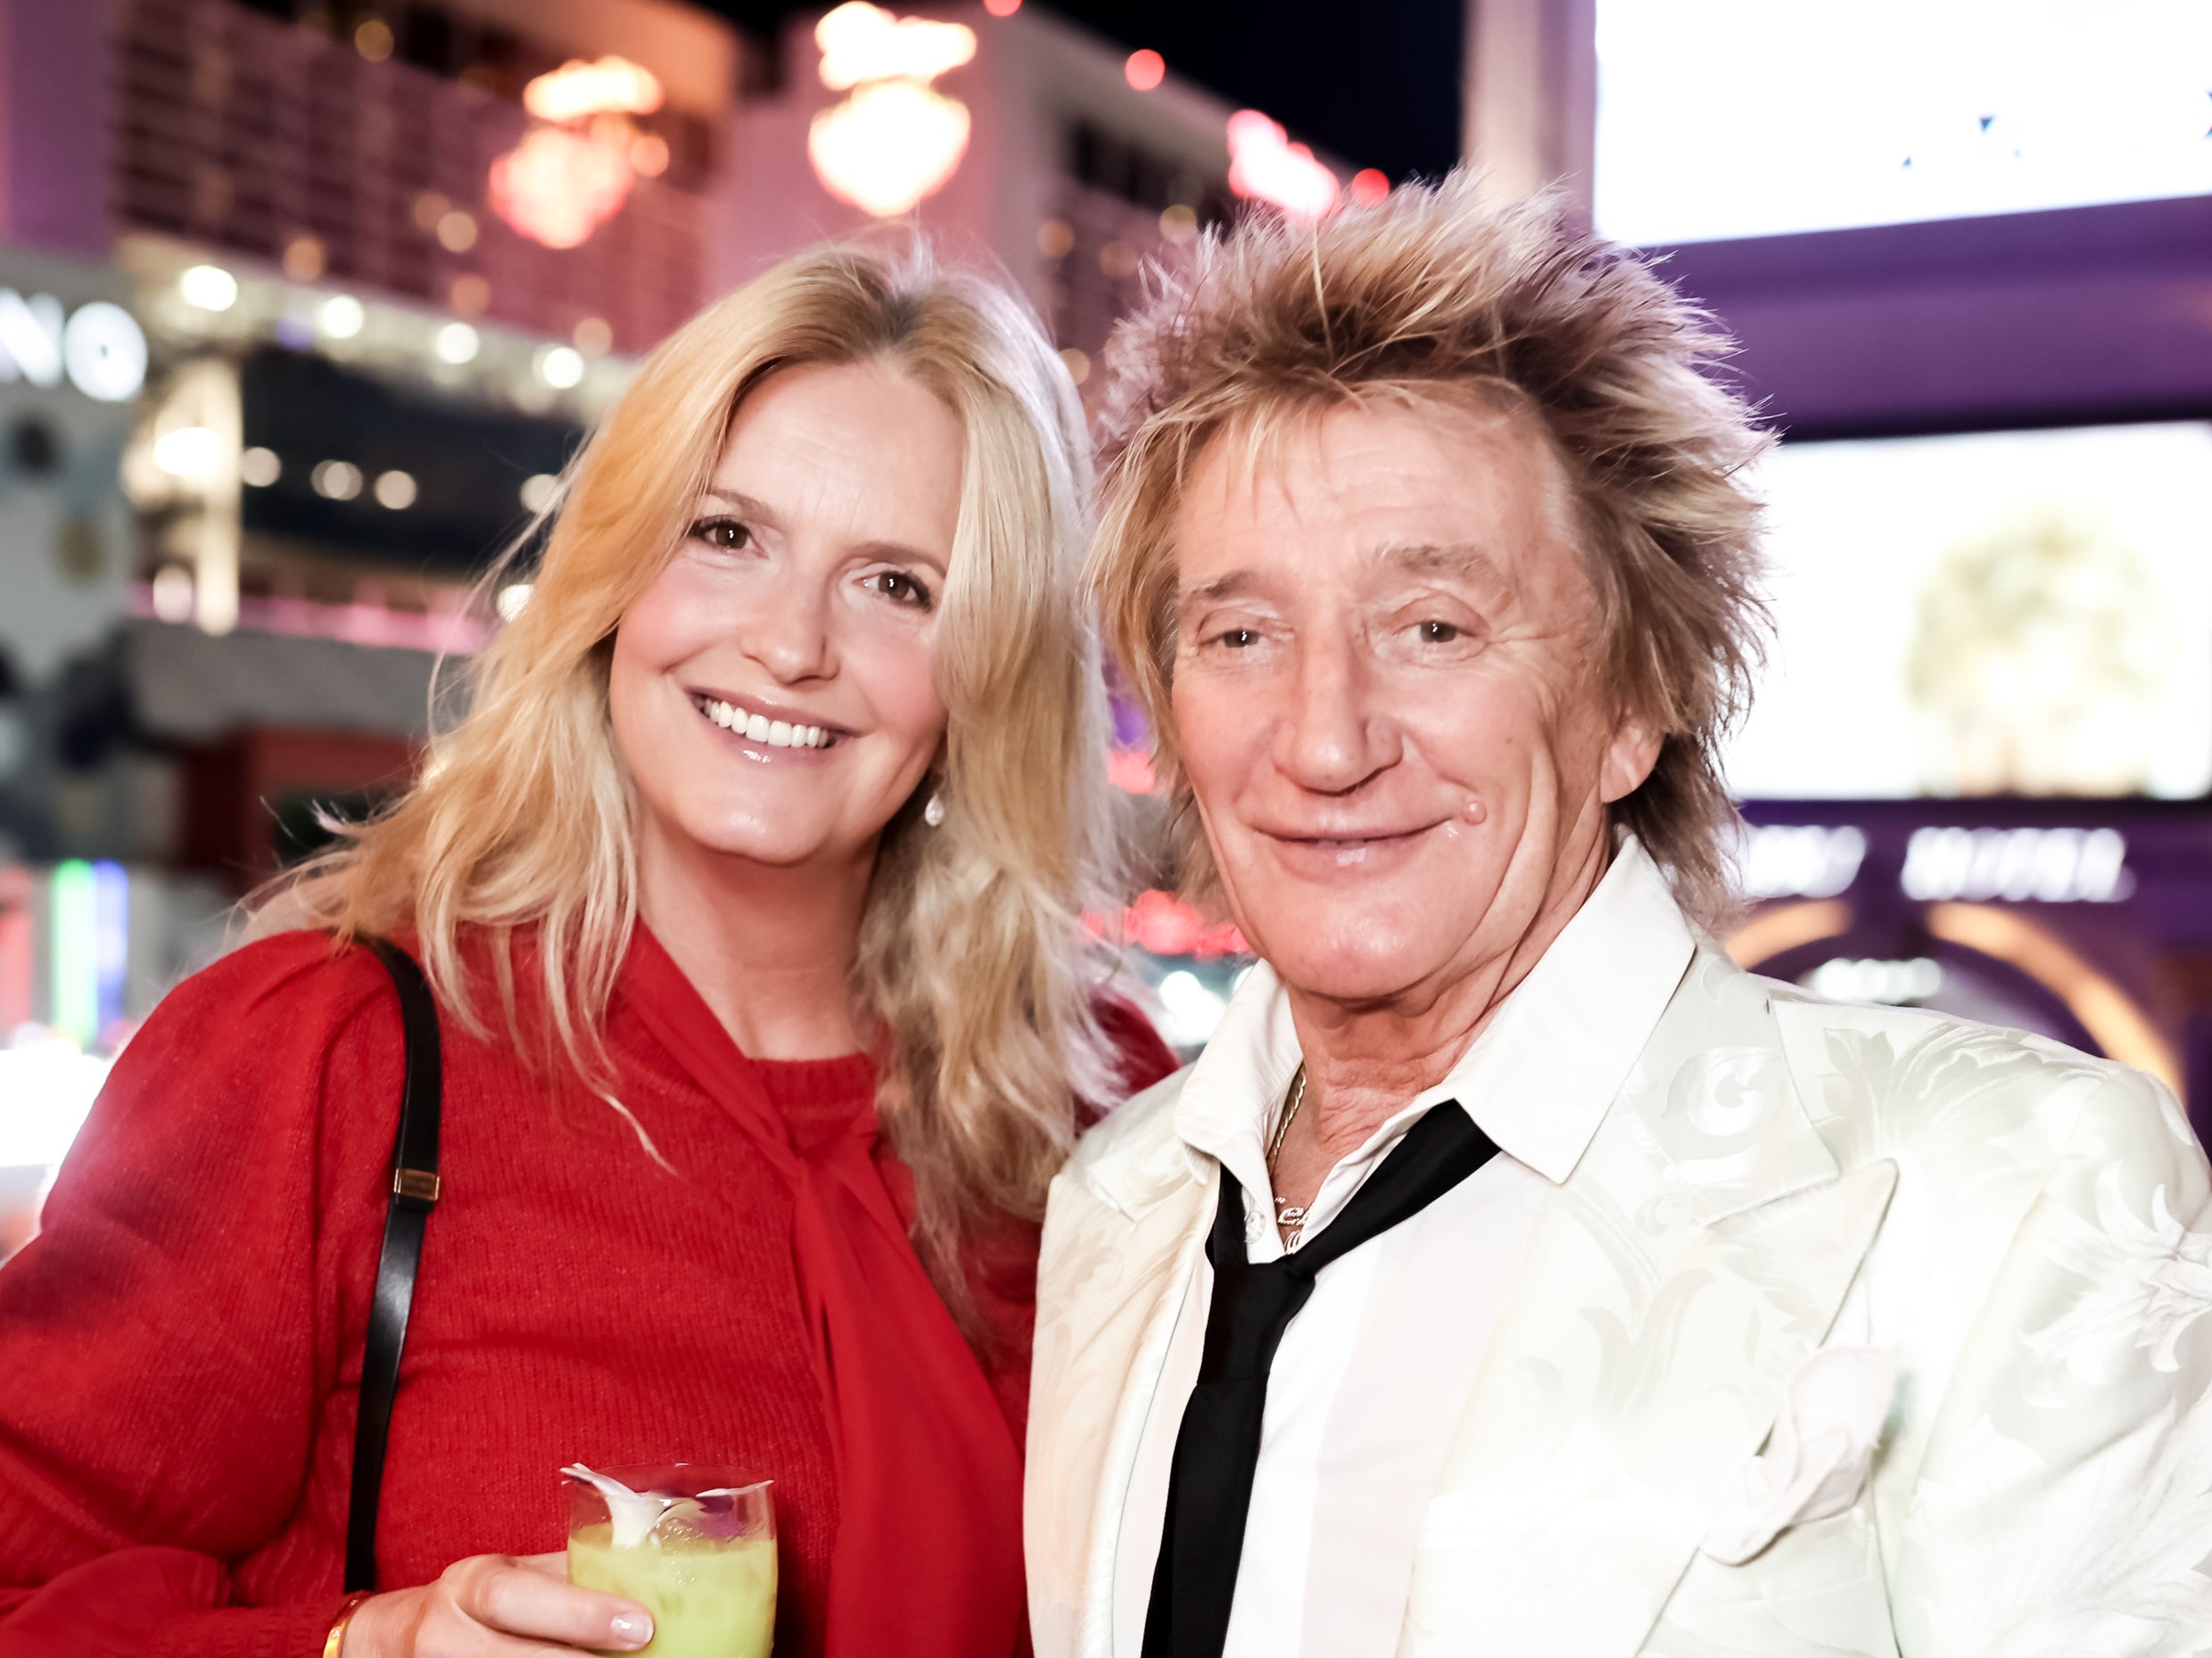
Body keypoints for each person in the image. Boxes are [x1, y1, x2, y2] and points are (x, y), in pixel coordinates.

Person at [1026, 172, 2212, 1658]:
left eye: (1434, 628)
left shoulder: (2015, 1189)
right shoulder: (1109, 1208)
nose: (1325, 741)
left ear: (1632, 703)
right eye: (1242, 635)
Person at [0, 241, 1174, 1658]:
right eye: (726, 535)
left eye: (899, 587)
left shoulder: (1107, 1120)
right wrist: (362, 1649)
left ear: (988, 673)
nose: (791, 644)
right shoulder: (324, 1056)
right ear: (616, 577)